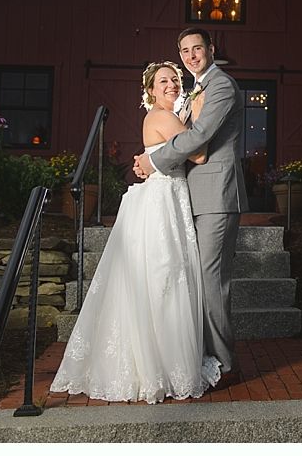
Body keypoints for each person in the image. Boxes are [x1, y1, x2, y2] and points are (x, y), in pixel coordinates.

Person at [49, 61, 220, 403]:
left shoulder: (167, 117)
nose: (172, 84)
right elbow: (198, 153)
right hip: (163, 202)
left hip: (164, 198)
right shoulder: (162, 116)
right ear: (151, 91)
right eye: (164, 81)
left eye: (175, 79)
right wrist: (199, 115)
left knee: (161, 279)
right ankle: (163, 366)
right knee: (165, 279)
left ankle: (155, 360)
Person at [133, 27, 249, 384]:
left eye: (197, 48)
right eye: (184, 50)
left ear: (211, 49)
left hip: (216, 194)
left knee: (211, 280)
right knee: (196, 279)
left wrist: (153, 161)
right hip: (189, 196)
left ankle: (225, 367)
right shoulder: (192, 90)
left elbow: (198, 139)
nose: (191, 55)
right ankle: (200, 355)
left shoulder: (221, 86)